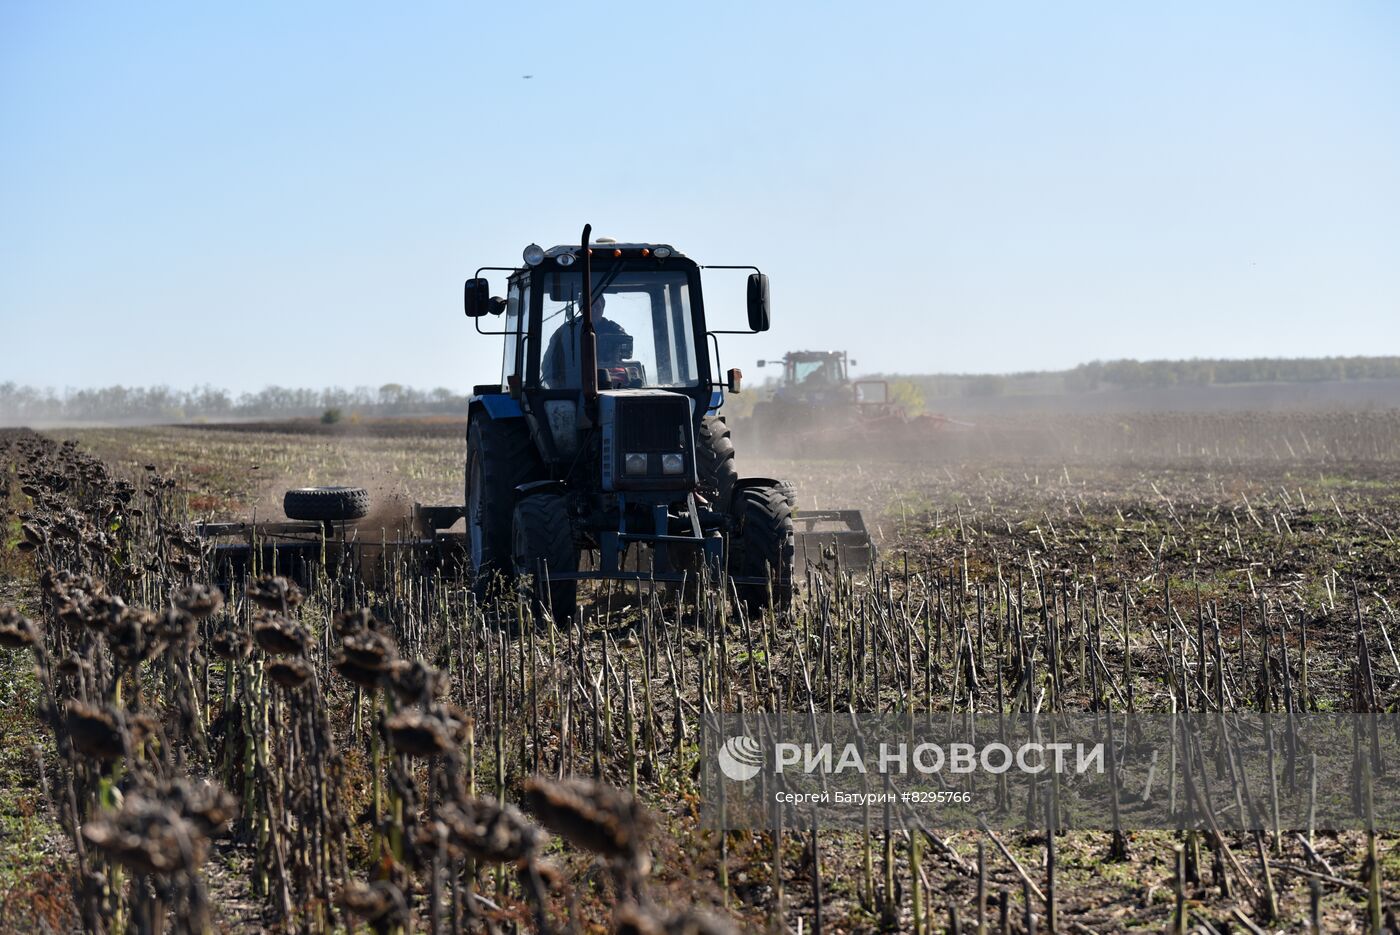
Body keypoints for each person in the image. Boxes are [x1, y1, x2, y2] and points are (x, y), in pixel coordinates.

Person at [541, 293, 632, 388]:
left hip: (609, 388)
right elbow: (548, 368)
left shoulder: (615, 330)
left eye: (597, 306)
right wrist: (561, 393)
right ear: (581, 309)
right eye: (590, 306)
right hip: (574, 391)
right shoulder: (564, 332)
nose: (594, 310)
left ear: (603, 308)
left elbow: (625, 345)